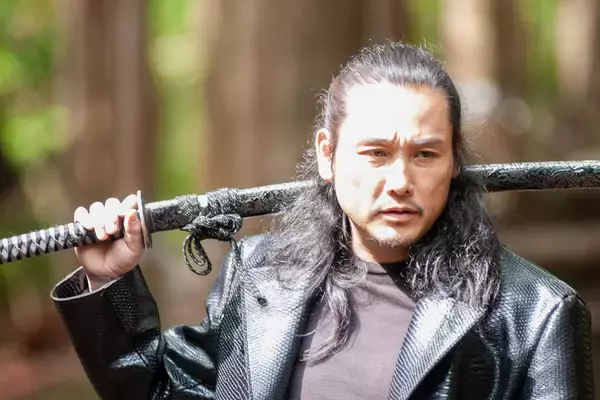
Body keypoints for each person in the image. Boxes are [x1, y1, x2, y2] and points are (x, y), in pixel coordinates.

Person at [51, 42, 594, 399]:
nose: (400, 180)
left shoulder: (536, 314)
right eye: (376, 153)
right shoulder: (263, 276)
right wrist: (109, 280)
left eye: (425, 154)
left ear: (454, 161)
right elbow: (162, 391)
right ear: (327, 155)